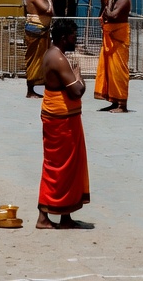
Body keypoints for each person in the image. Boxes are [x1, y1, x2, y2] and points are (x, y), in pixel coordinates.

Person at [37, 18, 90, 229]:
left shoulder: (55, 54)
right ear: (62, 38)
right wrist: (80, 77)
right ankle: (43, 217)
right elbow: (76, 91)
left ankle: (65, 216)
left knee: (68, 167)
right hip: (61, 120)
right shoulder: (57, 58)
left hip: (65, 116)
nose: (75, 40)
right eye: (73, 36)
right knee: (58, 166)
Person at [95, 0, 131, 113]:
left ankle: (122, 105)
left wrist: (109, 2)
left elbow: (112, 16)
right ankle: (113, 101)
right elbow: (104, 14)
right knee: (110, 71)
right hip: (110, 37)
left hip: (119, 40)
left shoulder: (124, 0)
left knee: (118, 72)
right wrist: (107, 2)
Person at [24, 0, 53, 99]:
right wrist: (50, 0)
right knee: (34, 59)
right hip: (36, 29)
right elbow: (48, 11)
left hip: (42, 29)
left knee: (41, 58)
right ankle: (30, 89)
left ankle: (40, 85)